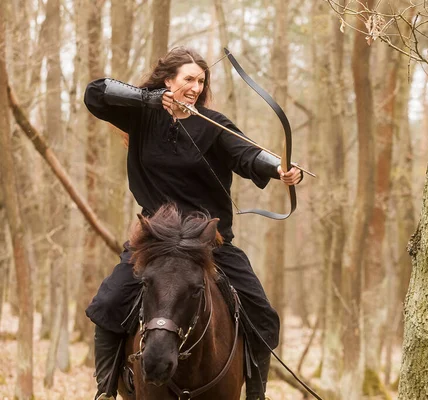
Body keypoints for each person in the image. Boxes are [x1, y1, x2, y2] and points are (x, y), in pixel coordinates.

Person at [84, 46, 302, 400]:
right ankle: (105, 391)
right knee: (108, 305)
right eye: (189, 79)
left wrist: (278, 168)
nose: (196, 87)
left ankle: (257, 395)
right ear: (168, 80)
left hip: (207, 243)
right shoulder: (142, 117)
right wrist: (150, 100)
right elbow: (95, 94)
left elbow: (246, 154)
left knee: (262, 315)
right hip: (156, 241)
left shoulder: (212, 125)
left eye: (201, 81)